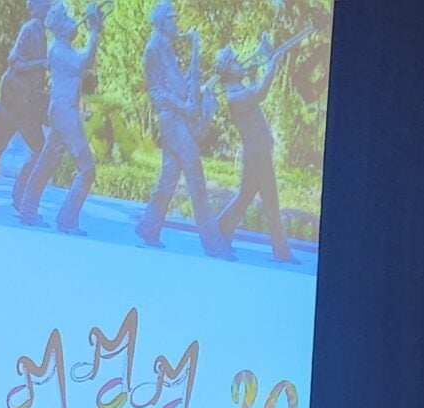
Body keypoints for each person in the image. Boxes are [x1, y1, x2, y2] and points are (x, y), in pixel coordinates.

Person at [212, 27, 312, 262]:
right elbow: (260, 95)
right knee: (271, 201)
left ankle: (221, 229)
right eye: (235, 62)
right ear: (228, 70)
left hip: (257, 152)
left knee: (245, 197)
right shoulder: (234, 96)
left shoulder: (239, 90)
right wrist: (272, 66)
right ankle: (281, 252)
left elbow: (254, 93)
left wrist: (256, 76)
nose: (240, 64)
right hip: (256, 154)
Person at [134, 2, 221, 254]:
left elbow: (179, 85)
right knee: (196, 175)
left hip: (176, 117)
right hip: (171, 118)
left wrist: (196, 51)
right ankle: (212, 243)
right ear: (162, 22)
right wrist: (183, 107)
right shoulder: (153, 49)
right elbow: (157, 92)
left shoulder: (166, 48)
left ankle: (149, 227)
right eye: (173, 19)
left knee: (168, 178)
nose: (177, 24)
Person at [12, 3, 106, 233]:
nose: (73, 20)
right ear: (60, 27)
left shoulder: (63, 48)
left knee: (46, 164)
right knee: (87, 168)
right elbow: (86, 63)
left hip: (63, 111)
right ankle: (67, 219)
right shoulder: (59, 51)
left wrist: (96, 29)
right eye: (67, 19)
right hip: (65, 113)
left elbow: (85, 61)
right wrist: (94, 30)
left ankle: (28, 210)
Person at [0, 0, 51, 210]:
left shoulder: (40, 31)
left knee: (3, 146)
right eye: (47, 4)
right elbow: (15, 62)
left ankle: (10, 195)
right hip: (15, 98)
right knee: (34, 149)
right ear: (38, 7)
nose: (50, 8)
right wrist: (41, 64)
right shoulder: (30, 29)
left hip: (24, 100)